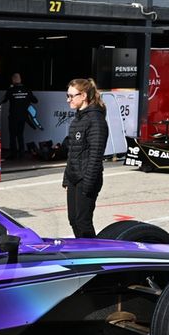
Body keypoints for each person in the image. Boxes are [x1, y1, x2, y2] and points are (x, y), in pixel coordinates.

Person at [62, 78, 109, 238]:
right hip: (74, 177)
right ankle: (81, 251)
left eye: (71, 96)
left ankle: (93, 255)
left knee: (83, 221)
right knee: (73, 220)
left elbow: (96, 155)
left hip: (87, 178)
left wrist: (88, 184)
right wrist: (67, 178)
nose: (68, 99)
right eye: (67, 95)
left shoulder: (96, 120)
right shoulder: (78, 118)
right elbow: (73, 152)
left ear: (83, 96)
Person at [1, 73, 38, 159]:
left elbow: (3, 100)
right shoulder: (27, 90)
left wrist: (9, 89)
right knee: (20, 135)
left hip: (13, 116)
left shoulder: (11, 90)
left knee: (12, 136)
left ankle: (13, 154)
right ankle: (21, 153)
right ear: (20, 79)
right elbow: (35, 100)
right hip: (23, 117)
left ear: (13, 80)